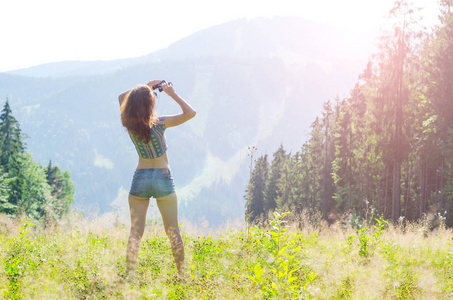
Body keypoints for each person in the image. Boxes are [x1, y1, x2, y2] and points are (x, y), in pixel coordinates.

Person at [118, 80, 196, 280]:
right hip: (162, 176)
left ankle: (130, 276)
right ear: (150, 104)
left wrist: (145, 86)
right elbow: (190, 113)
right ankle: (181, 276)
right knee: (173, 231)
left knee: (136, 232)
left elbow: (121, 98)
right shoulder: (160, 123)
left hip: (141, 177)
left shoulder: (128, 122)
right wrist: (172, 93)